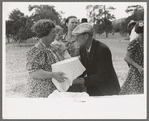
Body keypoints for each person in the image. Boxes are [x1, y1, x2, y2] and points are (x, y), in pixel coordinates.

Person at [71, 23, 121, 96]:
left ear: (86, 36)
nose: (76, 39)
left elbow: (102, 75)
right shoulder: (82, 48)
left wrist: (82, 81)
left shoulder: (103, 49)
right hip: (93, 89)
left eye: (78, 36)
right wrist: (73, 76)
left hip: (107, 90)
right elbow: (85, 68)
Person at [25, 19, 67, 98]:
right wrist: (53, 75)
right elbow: (33, 73)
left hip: (52, 90)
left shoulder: (52, 47)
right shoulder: (35, 50)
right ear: (44, 34)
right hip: (40, 92)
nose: (55, 35)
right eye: (53, 33)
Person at [119, 20, 144, 95]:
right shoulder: (135, 42)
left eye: (143, 33)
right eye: (140, 33)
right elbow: (127, 57)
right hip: (137, 72)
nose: (142, 35)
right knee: (136, 93)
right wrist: (138, 67)